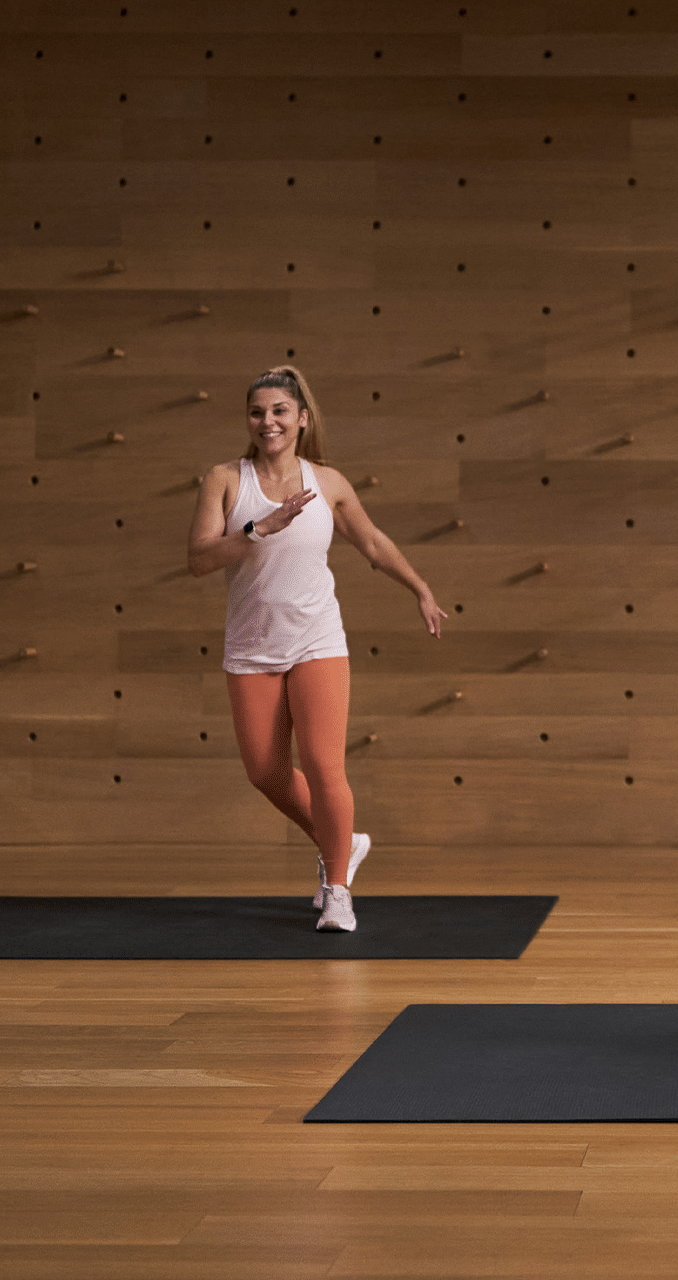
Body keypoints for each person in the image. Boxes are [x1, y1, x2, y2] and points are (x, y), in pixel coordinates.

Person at [187, 366, 446, 932]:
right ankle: (343, 841)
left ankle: (337, 892)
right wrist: (259, 528)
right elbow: (199, 558)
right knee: (265, 772)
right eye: (257, 412)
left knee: (326, 767)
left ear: (302, 418)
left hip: (317, 640)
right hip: (253, 647)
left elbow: (373, 543)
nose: (268, 422)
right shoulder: (226, 480)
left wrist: (420, 589)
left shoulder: (327, 482)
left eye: (280, 411)